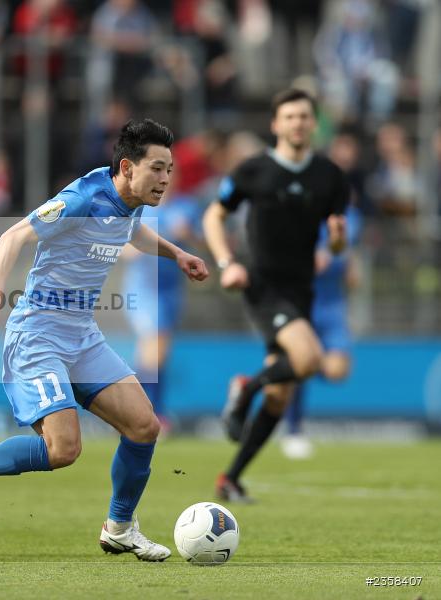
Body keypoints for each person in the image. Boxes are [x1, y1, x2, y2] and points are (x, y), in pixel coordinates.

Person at [0, 119, 209, 561]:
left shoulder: (130, 201)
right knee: (64, 450)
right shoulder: (83, 197)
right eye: (157, 168)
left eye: (169, 169)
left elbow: (132, 231)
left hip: (82, 336)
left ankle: (119, 528)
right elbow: (13, 235)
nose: (166, 179)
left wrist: (178, 254)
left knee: (144, 427)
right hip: (38, 334)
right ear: (126, 167)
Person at [202, 89, 349, 503]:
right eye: (290, 116)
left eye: (304, 116)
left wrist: (337, 242)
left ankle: (229, 479)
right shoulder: (253, 170)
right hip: (263, 284)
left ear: (313, 123)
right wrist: (226, 261)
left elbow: (337, 244)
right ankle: (244, 389)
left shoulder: (330, 176)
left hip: (302, 288)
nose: (298, 123)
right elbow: (214, 214)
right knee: (308, 360)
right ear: (276, 124)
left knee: (280, 392)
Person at [282, 202, 361, 459]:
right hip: (300, 303)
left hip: (331, 306)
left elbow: (345, 248)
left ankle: (286, 371)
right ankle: (293, 430)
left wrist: (340, 258)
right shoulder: (296, 215)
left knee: (337, 370)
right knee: (300, 365)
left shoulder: (346, 216)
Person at [121, 187, 201, 433]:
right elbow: (121, 246)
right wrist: (131, 250)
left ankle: (140, 413)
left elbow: (201, 239)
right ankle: (147, 414)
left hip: (170, 291)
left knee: (156, 354)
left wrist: (187, 234)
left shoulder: (185, 207)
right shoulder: (138, 210)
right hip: (144, 289)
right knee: (154, 347)